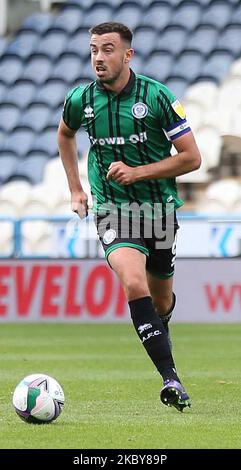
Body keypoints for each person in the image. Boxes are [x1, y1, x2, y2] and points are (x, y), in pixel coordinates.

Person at [58, 22, 201, 412]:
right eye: (93, 50)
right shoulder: (81, 100)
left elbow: (192, 158)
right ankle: (171, 378)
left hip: (158, 211)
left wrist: (138, 172)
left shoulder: (158, 97)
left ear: (127, 55)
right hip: (113, 210)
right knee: (133, 282)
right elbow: (65, 135)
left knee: (161, 299)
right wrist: (76, 189)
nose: (98, 57)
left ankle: (160, 326)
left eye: (107, 49)